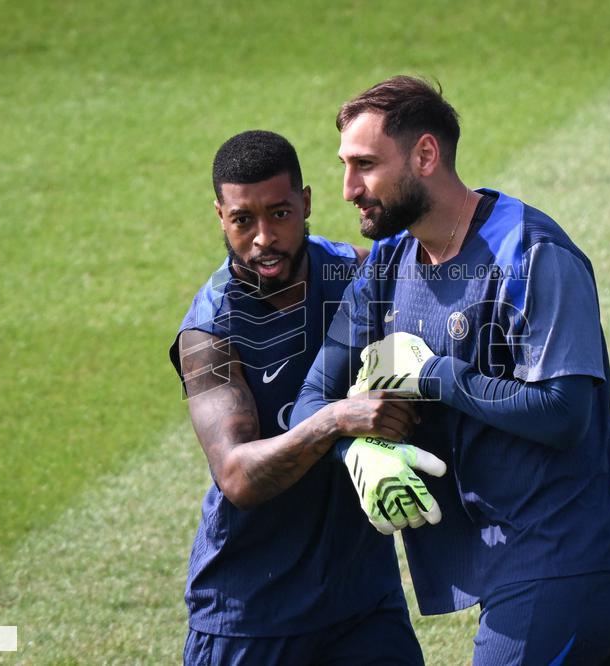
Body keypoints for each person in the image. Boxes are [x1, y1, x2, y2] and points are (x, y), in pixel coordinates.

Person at [290, 77, 610, 664]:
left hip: (563, 568)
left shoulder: (531, 254)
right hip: (508, 571)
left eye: (366, 165)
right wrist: (354, 450)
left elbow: (565, 413)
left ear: (425, 155)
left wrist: (435, 378)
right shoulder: (388, 264)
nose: (348, 188)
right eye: (345, 166)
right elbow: (312, 399)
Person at [168, 130, 427, 665]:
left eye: (280, 213)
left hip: (361, 603)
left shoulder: (359, 272)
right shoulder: (210, 334)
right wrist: (334, 420)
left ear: (306, 202)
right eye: (243, 220)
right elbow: (237, 476)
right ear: (220, 216)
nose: (263, 236)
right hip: (252, 615)